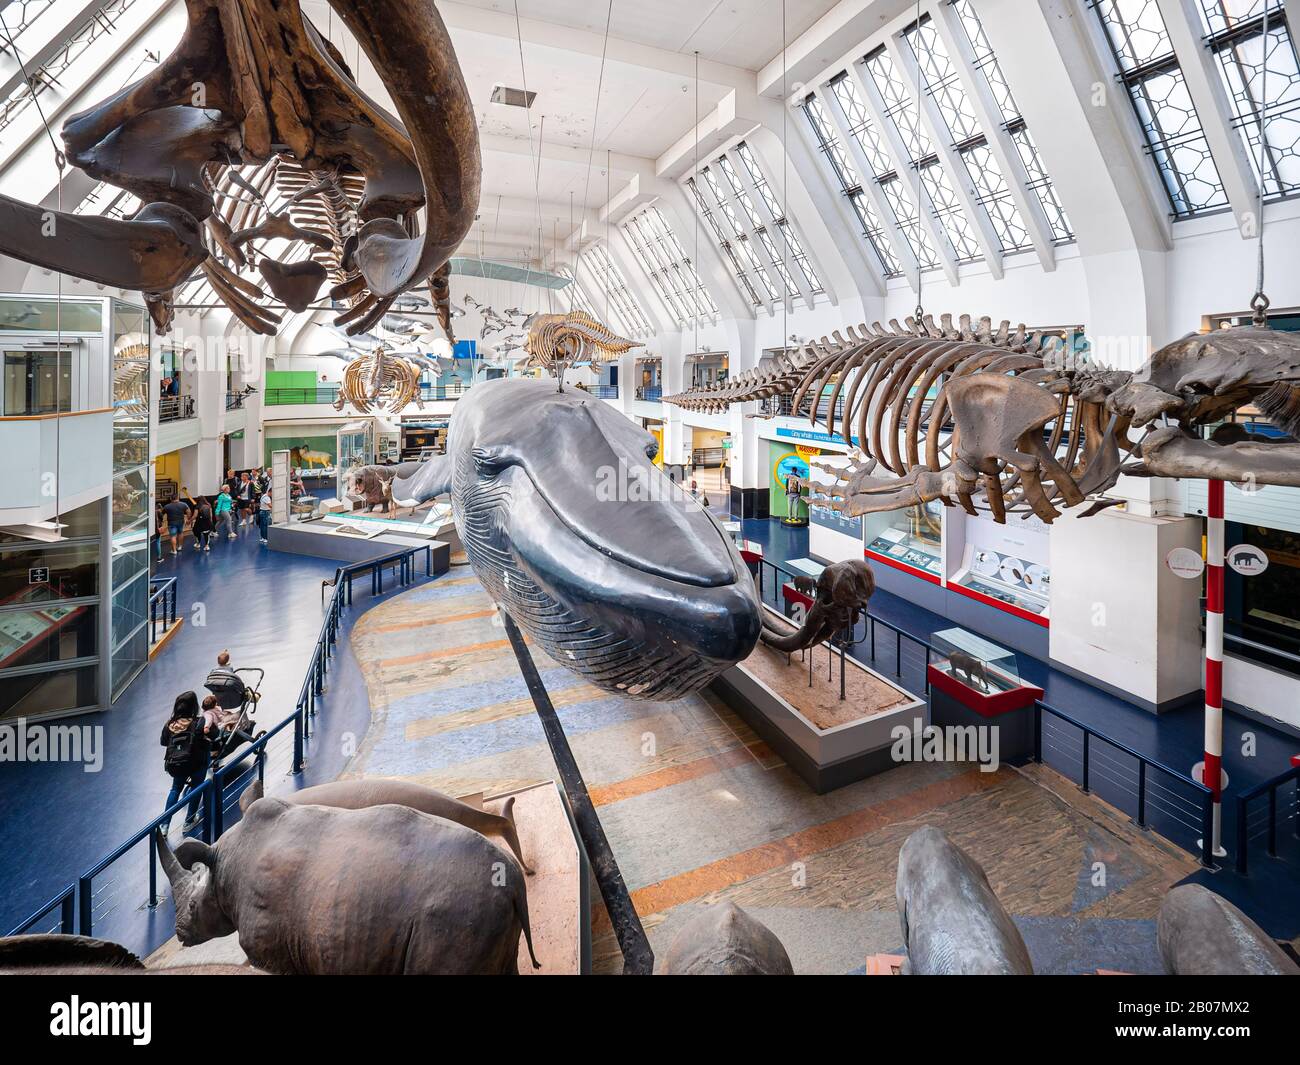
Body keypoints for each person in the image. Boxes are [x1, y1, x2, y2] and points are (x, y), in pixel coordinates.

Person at [160, 691, 212, 832]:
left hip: (176, 765)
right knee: (196, 786)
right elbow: (211, 735)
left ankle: (164, 825)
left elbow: (163, 742)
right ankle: (189, 821)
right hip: (196, 763)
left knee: (176, 789)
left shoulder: (169, 725)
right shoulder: (198, 722)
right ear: (194, 706)